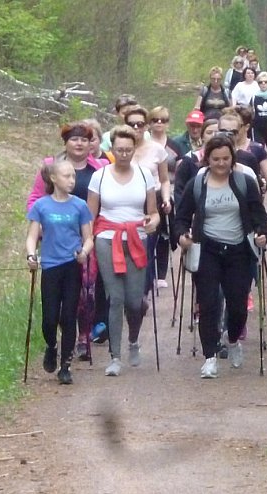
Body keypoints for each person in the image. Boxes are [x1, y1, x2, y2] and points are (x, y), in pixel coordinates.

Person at [173, 136, 267, 379]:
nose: (221, 163)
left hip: (238, 251)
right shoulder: (198, 183)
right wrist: (183, 237)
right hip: (207, 250)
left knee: (238, 306)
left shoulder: (244, 181)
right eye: (216, 159)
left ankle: (233, 338)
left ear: (232, 158)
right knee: (208, 305)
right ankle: (210, 357)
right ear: (208, 159)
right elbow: (181, 217)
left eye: (226, 158)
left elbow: (259, 215)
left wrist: (261, 234)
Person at [26, 122, 107, 358]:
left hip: (84, 239)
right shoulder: (50, 168)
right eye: (74, 139)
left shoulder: (99, 169)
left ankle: (79, 341)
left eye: (85, 139)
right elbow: (35, 200)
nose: (80, 143)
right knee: (53, 308)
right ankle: (56, 342)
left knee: (85, 294)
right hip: (54, 243)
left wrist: (89, 243)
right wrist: (40, 226)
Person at [87, 126, 160, 377]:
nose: (125, 154)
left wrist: (154, 222)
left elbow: (153, 211)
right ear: (112, 149)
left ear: (134, 150)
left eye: (129, 149)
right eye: (120, 149)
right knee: (115, 298)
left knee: (134, 300)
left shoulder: (144, 175)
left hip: (136, 238)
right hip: (107, 238)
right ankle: (115, 356)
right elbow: (90, 213)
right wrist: (88, 239)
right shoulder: (100, 176)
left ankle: (133, 340)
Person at [26, 160, 94, 385]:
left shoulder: (80, 206)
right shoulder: (42, 206)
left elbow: (89, 238)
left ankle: (65, 365)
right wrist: (30, 255)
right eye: (67, 176)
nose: (72, 180)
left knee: (68, 317)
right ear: (54, 179)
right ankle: (51, 346)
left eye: (73, 176)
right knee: (50, 318)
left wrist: (84, 252)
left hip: (72, 264)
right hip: (51, 266)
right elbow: (32, 236)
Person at [146, 106, 183, 290]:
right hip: (147, 192)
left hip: (168, 192)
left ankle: (161, 273)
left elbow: (181, 170)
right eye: (155, 120)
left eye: (163, 120)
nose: (159, 123)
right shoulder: (143, 144)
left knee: (164, 234)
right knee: (148, 232)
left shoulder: (175, 146)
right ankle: (148, 272)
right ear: (149, 123)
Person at [250, 71, 267, 148]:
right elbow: (250, 111)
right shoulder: (254, 96)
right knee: (258, 149)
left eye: (266, 82)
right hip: (258, 127)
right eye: (260, 82)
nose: (263, 84)